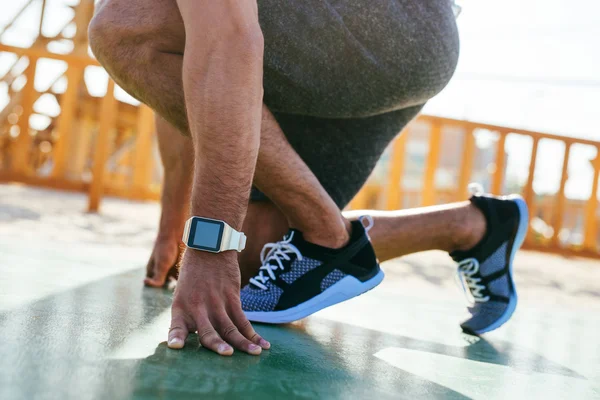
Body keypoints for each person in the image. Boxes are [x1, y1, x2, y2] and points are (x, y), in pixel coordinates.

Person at [88, 0, 528, 357]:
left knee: (126, 26)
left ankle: (328, 234)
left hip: (389, 25)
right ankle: (473, 227)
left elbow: (224, 40)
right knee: (260, 262)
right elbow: (187, 83)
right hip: (358, 34)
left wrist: (210, 244)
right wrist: (174, 234)